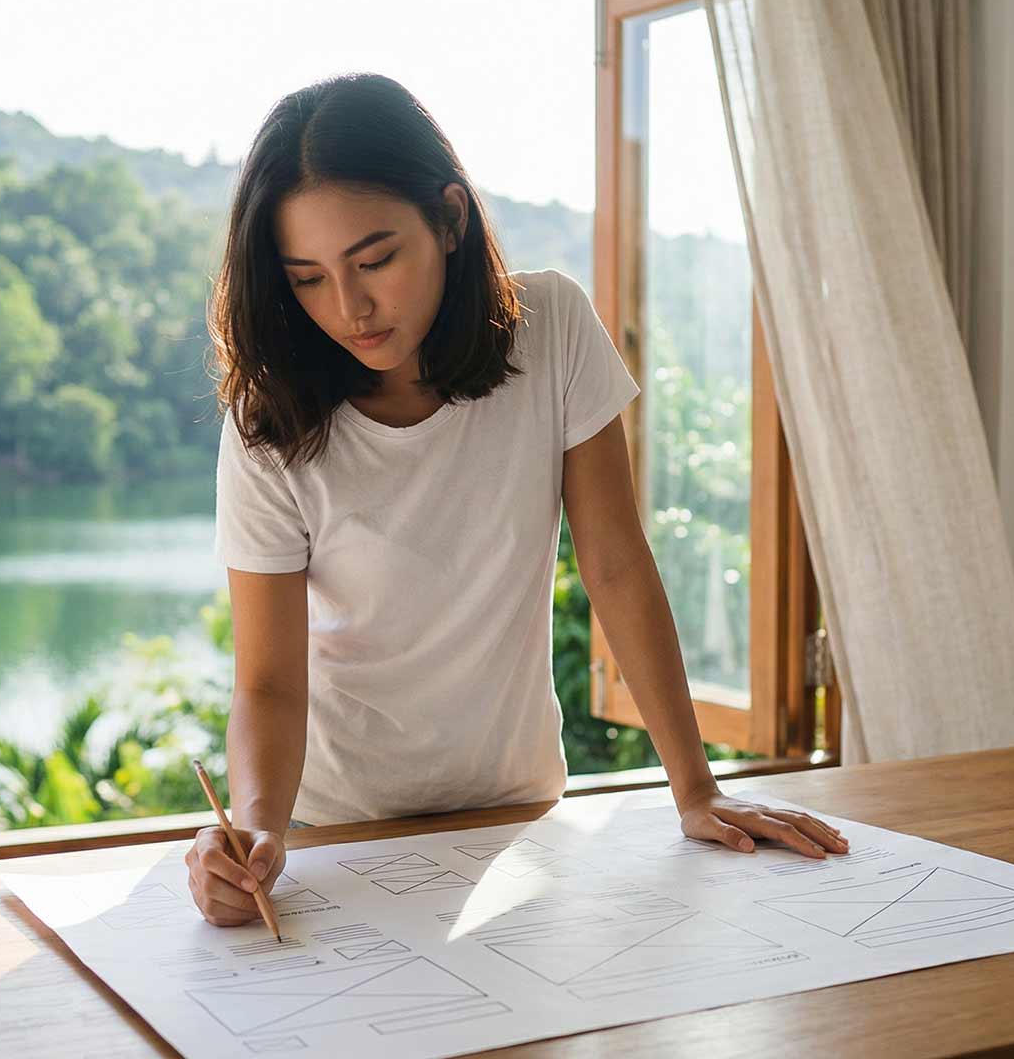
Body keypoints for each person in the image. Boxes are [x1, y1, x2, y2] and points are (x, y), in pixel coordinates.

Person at [186, 73, 847, 927]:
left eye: (375, 259)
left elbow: (613, 564)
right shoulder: (269, 418)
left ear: (451, 220)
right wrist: (254, 832)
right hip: (334, 826)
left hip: (519, 812)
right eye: (307, 278)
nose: (349, 308)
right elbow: (270, 681)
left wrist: (696, 787)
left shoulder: (552, 327)